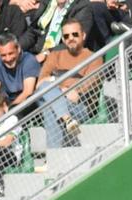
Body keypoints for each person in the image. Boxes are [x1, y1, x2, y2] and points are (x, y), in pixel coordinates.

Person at [37, 19, 98, 149]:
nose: (71, 38)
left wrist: (54, 81)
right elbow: (41, 83)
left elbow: (88, 85)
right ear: (63, 39)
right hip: (62, 101)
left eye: (75, 34)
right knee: (48, 98)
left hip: (80, 106)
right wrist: (63, 89)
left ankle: (53, 157)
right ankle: (67, 119)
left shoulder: (93, 57)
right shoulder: (55, 55)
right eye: (66, 36)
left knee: (49, 105)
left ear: (83, 35)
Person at [0, 32, 38, 106]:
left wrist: (10, 111)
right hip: (9, 103)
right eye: (3, 55)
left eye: (11, 53)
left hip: (30, 103)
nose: (8, 59)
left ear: (19, 49)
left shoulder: (29, 60)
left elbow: (28, 91)